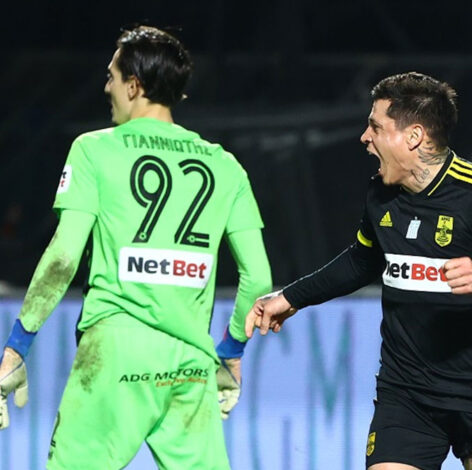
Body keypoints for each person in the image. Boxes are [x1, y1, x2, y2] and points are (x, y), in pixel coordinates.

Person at [247, 72, 472, 470]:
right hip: (407, 395)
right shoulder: (381, 194)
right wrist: (290, 297)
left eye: (376, 127)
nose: (365, 137)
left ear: (414, 136)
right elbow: (361, 260)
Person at [0, 25, 272, 469]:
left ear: (134, 85)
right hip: (190, 363)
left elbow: (64, 257)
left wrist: (17, 345)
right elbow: (258, 279)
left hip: (114, 354)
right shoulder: (226, 166)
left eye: (111, 77)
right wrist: (230, 353)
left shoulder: (94, 150)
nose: (106, 87)